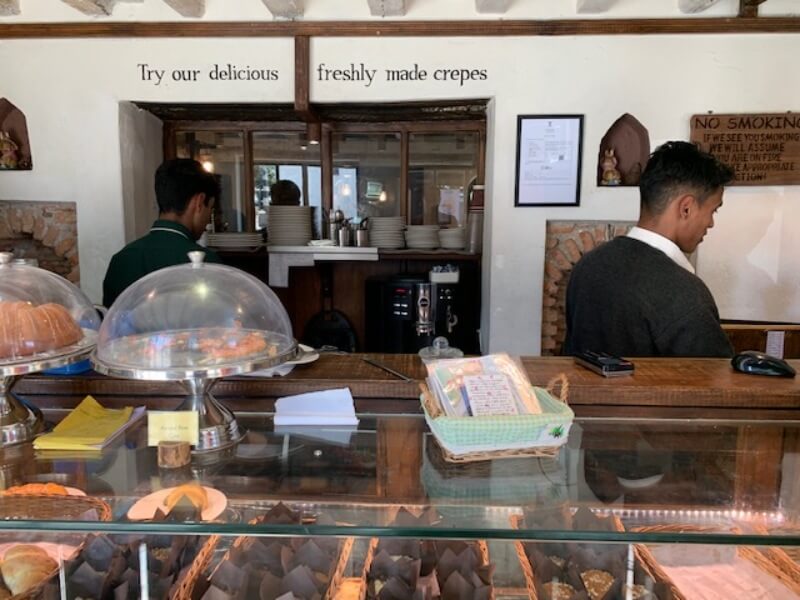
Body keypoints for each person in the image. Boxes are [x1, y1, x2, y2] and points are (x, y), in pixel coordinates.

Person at [565, 141, 735, 357]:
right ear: (686, 208)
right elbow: (719, 384)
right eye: (713, 211)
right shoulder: (684, 293)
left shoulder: (588, 266)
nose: (710, 223)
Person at [102, 158, 221, 307]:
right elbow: (216, 324)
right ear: (199, 202)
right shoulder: (206, 262)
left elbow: (111, 323)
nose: (207, 222)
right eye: (210, 209)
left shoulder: (122, 260)